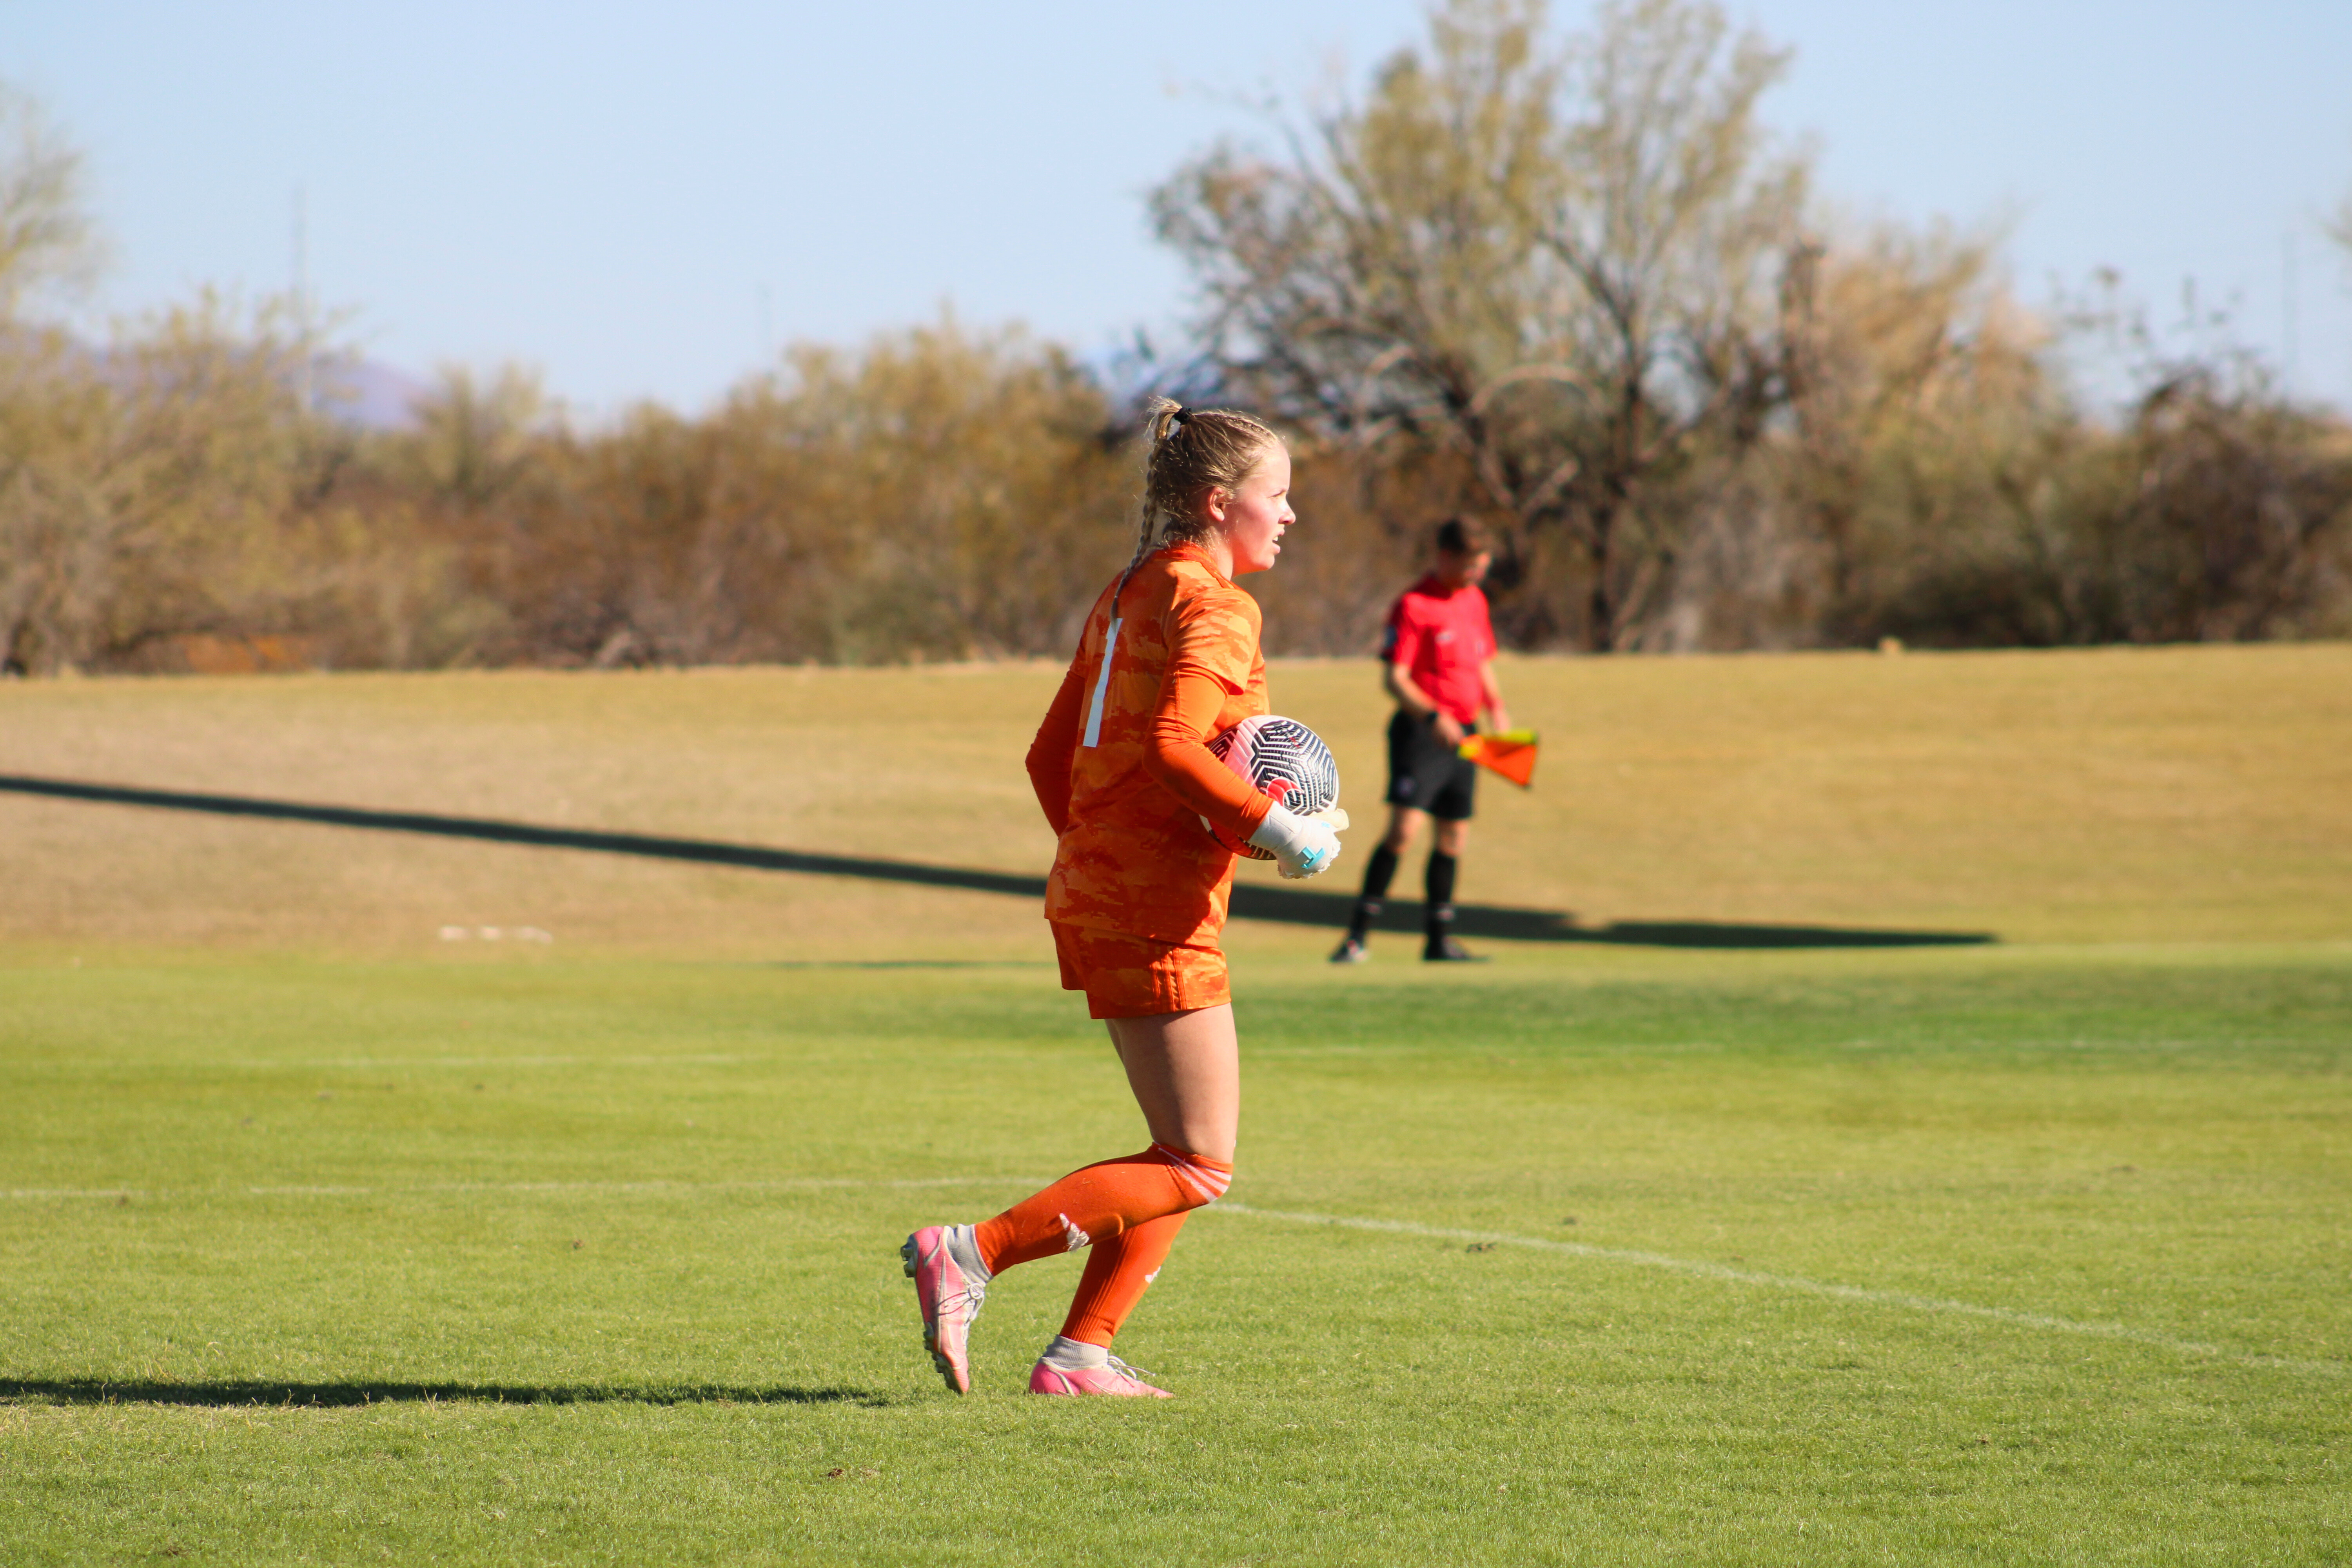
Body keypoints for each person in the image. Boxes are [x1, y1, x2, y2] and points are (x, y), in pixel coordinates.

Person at [900, 399, 1341, 1399]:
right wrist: (1281, 830)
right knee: (1200, 1164)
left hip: (1103, 893)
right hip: (1150, 906)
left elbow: (1050, 756)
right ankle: (972, 1253)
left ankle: (1081, 1355)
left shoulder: (1128, 590)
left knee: (1183, 1145)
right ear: (1223, 503)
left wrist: (1104, 854)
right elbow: (1177, 747)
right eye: (1279, 497)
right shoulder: (1218, 604)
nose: (1291, 516)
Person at [1331, 517, 1511, 964]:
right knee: (1403, 832)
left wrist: (1498, 710)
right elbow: (1395, 678)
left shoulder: (1475, 601)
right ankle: (1357, 938)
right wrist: (1433, 715)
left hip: (1467, 735)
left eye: (1481, 566)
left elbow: (1482, 662)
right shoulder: (1414, 605)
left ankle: (1438, 940)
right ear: (1445, 557)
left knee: (1453, 837)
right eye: (1470, 566)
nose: (1476, 575)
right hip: (1422, 733)